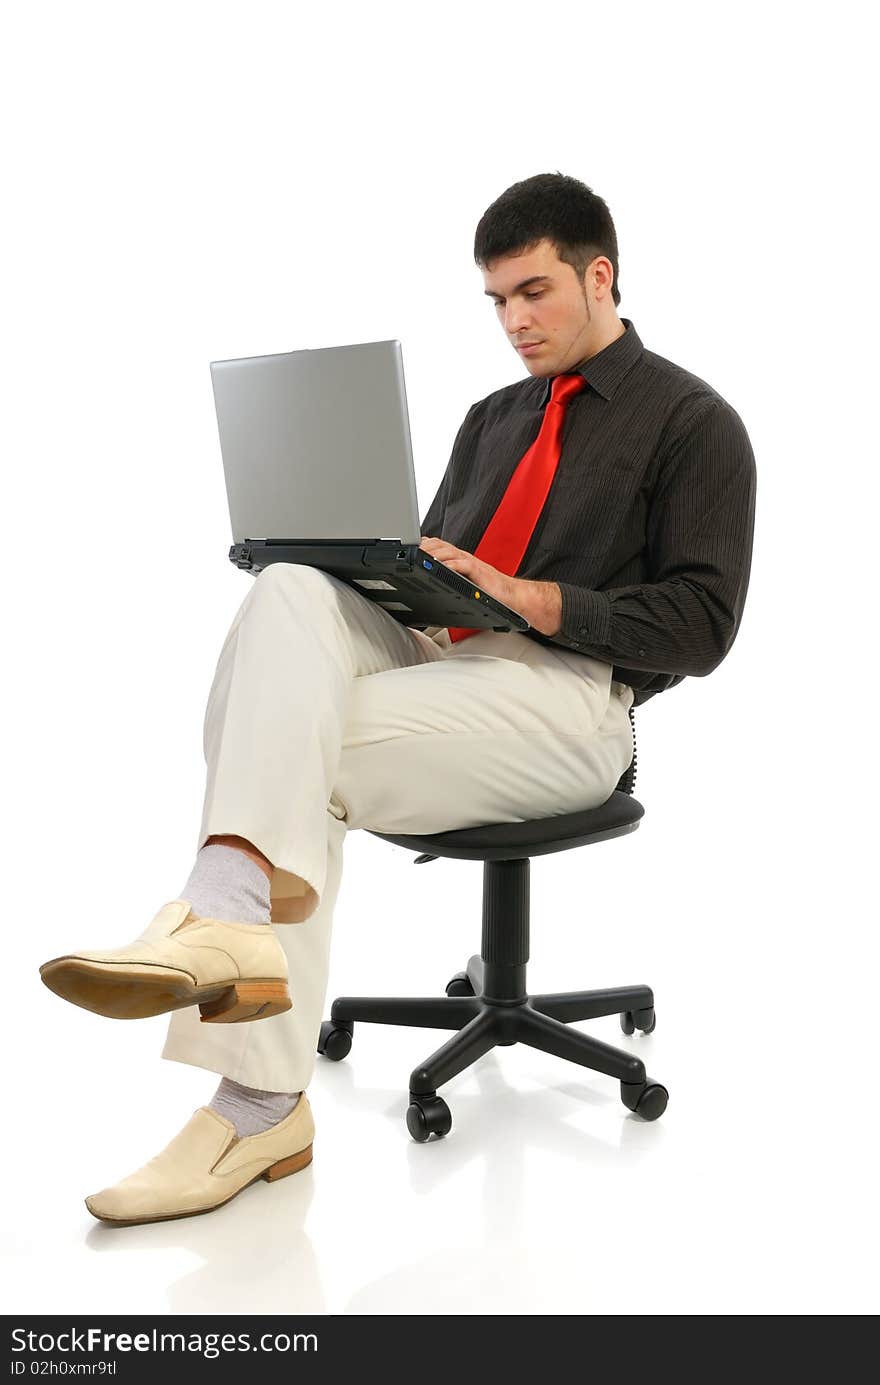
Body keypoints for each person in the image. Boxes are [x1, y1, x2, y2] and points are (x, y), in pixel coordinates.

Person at [39, 172, 756, 1226]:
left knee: (288, 744)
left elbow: (701, 624)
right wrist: (372, 567)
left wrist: (533, 598)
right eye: (496, 301)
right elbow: (438, 573)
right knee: (288, 591)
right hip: (442, 668)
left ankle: (252, 1080)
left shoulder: (693, 421)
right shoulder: (491, 417)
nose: (513, 321)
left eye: (534, 292)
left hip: (571, 704)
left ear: (600, 276)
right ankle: (234, 932)